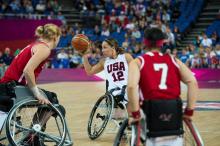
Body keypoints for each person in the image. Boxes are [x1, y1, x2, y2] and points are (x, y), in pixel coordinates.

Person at [127, 28, 198, 146]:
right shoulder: (173, 60)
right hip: (174, 110)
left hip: (151, 111)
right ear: (162, 43)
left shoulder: (138, 62)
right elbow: (192, 82)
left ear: (145, 42)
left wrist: (135, 114)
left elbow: (131, 87)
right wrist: (189, 112)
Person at [0, 23, 65, 144]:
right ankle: (32, 138)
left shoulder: (34, 45)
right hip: (13, 89)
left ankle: (33, 137)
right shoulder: (44, 48)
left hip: (5, 87)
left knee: (47, 97)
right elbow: (27, 70)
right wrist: (37, 93)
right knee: (52, 99)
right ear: (56, 37)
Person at [83, 38, 133, 114]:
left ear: (113, 47)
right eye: (102, 48)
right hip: (113, 95)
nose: (102, 50)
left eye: (105, 47)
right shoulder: (104, 62)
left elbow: (136, 73)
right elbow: (89, 72)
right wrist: (84, 56)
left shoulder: (126, 57)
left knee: (132, 120)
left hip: (127, 92)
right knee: (119, 120)